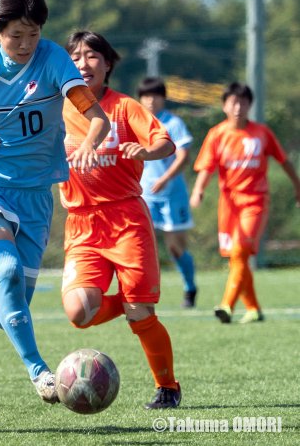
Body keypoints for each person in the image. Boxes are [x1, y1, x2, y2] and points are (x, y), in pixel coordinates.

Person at [0, 0, 110, 404]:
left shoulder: (52, 57)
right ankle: (40, 372)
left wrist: (90, 140)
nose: (27, 43)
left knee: (10, 307)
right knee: (9, 271)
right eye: (17, 35)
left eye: (34, 33)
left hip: (35, 196)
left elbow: (96, 115)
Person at [59, 31, 182, 409]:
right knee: (79, 312)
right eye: (76, 57)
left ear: (108, 64)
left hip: (127, 219)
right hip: (81, 223)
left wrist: (145, 152)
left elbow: (167, 144)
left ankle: (168, 388)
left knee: (140, 314)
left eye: (93, 56)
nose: (84, 63)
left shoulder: (125, 108)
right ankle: (130, 304)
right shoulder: (55, 109)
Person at [190, 82, 300, 324]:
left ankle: (227, 305)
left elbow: (284, 160)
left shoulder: (262, 133)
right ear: (224, 106)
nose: (238, 107)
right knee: (236, 258)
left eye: (243, 102)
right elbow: (207, 167)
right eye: (233, 102)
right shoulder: (217, 134)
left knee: (240, 250)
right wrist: (198, 190)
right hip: (228, 205)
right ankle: (253, 309)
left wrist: (297, 185)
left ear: (250, 105)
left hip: (256, 202)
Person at [137, 77, 198, 308]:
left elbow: (183, 156)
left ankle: (190, 288)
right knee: (141, 246)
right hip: (145, 196)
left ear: (163, 98)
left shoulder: (173, 123)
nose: (151, 101)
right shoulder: (137, 122)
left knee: (175, 247)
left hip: (172, 195)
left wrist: (164, 178)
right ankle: (142, 294)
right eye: (146, 96)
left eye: (155, 96)